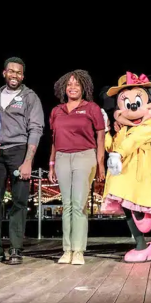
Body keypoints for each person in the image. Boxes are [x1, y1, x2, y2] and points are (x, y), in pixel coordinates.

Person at [0, 57, 44, 265]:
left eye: (19, 73)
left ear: (23, 76)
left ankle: (15, 248)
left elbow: (36, 129)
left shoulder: (30, 97)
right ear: (4, 73)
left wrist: (28, 161)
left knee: (19, 202)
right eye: (11, 71)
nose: (15, 75)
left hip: (19, 151)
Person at [103, 72, 151, 263]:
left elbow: (134, 141)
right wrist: (106, 131)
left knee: (136, 204)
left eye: (137, 101)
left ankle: (143, 237)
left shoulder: (150, 124)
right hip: (122, 174)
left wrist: (118, 153)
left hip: (139, 173)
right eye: (126, 103)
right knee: (127, 207)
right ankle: (141, 245)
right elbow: (112, 147)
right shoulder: (122, 128)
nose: (133, 107)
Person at [47, 70, 105, 265]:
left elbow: (100, 136)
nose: (72, 87)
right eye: (69, 84)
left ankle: (78, 251)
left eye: (77, 84)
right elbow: (54, 140)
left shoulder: (92, 108)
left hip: (84, 156)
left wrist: (100, 164)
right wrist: (52, 164)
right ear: (64, 88)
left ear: (84, 88)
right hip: (62, 157)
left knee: (79, 205)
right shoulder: (57, 111)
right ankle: (67, 250)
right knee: (67, 206)